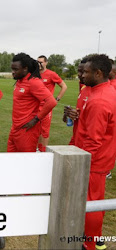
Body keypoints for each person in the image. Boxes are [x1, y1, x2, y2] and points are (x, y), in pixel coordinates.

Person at [73, 55, 116, 250]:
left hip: (94, 161)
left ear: (98, 73)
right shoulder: (105, 91)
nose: (82, 75)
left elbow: (93, 140)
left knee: (90, 203)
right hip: (102, 158)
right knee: (95, 200)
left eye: (86, 72)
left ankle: (89, 243)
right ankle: (93, 238)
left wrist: (80, 164)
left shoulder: (99, 100)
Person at [7, 53, 56, 152]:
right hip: (15, 128)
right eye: (12, 69)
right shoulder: (20, 80)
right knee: (11, 160)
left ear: (25, 68)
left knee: (26, 162)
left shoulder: (33, 82)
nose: (13, 72)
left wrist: (35, 120)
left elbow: (51, 102)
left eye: (16, 69)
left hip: (27, 130)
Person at [37, 55, 67, 152]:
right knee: (36, 130)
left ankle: (44, 152)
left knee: (45, 131)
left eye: (41, 62)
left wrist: (57, 99)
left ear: (46, 63)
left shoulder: (51, 74)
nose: (39, 64)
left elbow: (64, 86)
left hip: (46, 107)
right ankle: (38, 149)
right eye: (38, 62)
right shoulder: (35, 74)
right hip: (35, 107)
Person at [64, 56, 91, 145]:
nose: (80, 74)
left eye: (83, 72)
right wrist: (70, 114)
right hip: (77, 137)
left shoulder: (101, 93)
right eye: (78, 71)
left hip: (88, 143)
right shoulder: (84, 88)